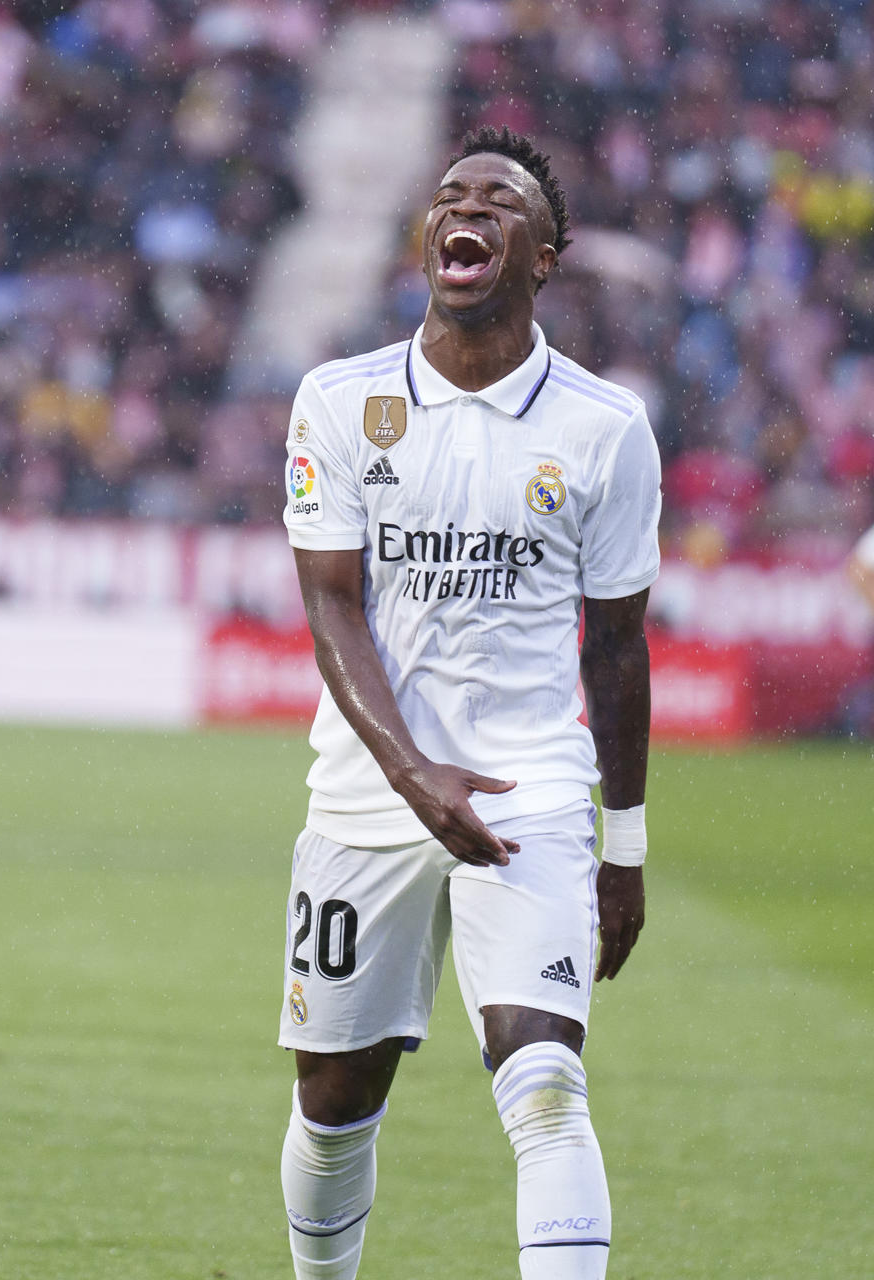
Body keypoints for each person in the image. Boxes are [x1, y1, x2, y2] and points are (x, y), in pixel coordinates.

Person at [275, 126, 659, 1280]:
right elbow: (332, 604)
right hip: (367, 790)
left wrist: (624, 846)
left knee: (542, 1077)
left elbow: (621, 648)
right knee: (336, 1096)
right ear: (426, 240)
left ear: (542, 256)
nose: (472, 209)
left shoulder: (604, 428)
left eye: (502, 202)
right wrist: (411, 772)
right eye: (453, 196)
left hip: (529, 786)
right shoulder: (340, 403)